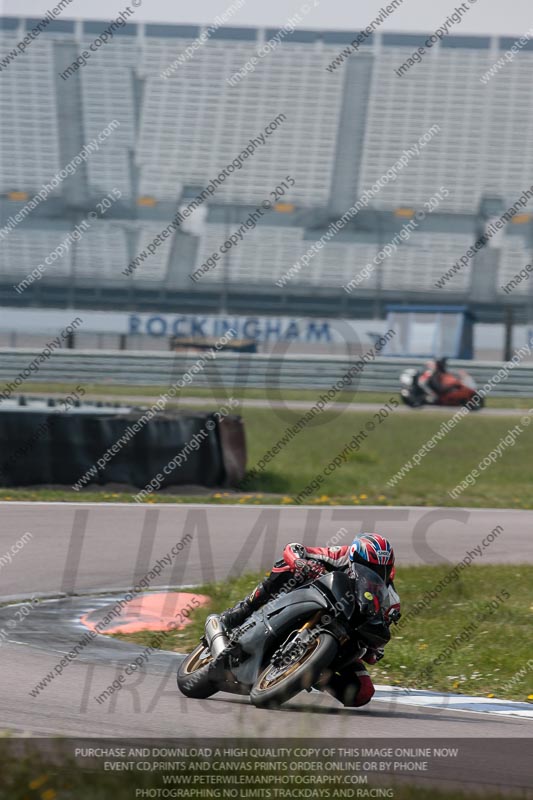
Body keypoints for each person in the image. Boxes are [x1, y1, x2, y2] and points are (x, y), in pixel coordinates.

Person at [218, 533, 401, 708]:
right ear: (354, 557)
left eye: (379, 570)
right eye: (366, 565)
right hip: (310, 597)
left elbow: (377, 644)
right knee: (286, 568)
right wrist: (301, 562)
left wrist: (375, 649)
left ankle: (315, 671)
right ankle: (244, 609)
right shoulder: (340, 555)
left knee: (363, 692)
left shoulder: (390, 599)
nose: (374, 572)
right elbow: (294, 548)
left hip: (342, 635)